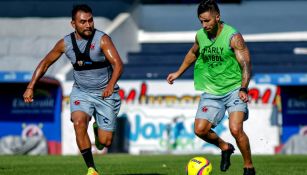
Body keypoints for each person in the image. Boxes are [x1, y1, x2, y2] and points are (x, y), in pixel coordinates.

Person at [23, 4, 123, 175]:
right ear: (73, 24)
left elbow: (118, 65)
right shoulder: (65, 43)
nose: (88, 25)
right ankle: (91, 169)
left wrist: (111, 85)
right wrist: (31, 86)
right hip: (81, 92)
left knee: (105, 142)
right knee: (79, 123)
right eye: (83, 22)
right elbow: (46, 63)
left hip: (105, 93)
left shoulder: (102, 39)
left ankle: (99, 130)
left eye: (90, 20)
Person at [166, 1, 255, 175]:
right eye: (201, 21)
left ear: (217, 17)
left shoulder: (233, 37)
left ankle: (248, 167)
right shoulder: (200, 35)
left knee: (236, 129)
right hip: (212, 91)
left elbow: (245, 64)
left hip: (234, 89)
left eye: (207, 21)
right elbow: (193, 52)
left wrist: (244, 88)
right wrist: (178, 72)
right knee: (200, 130)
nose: (204, 25)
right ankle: (224, 147)